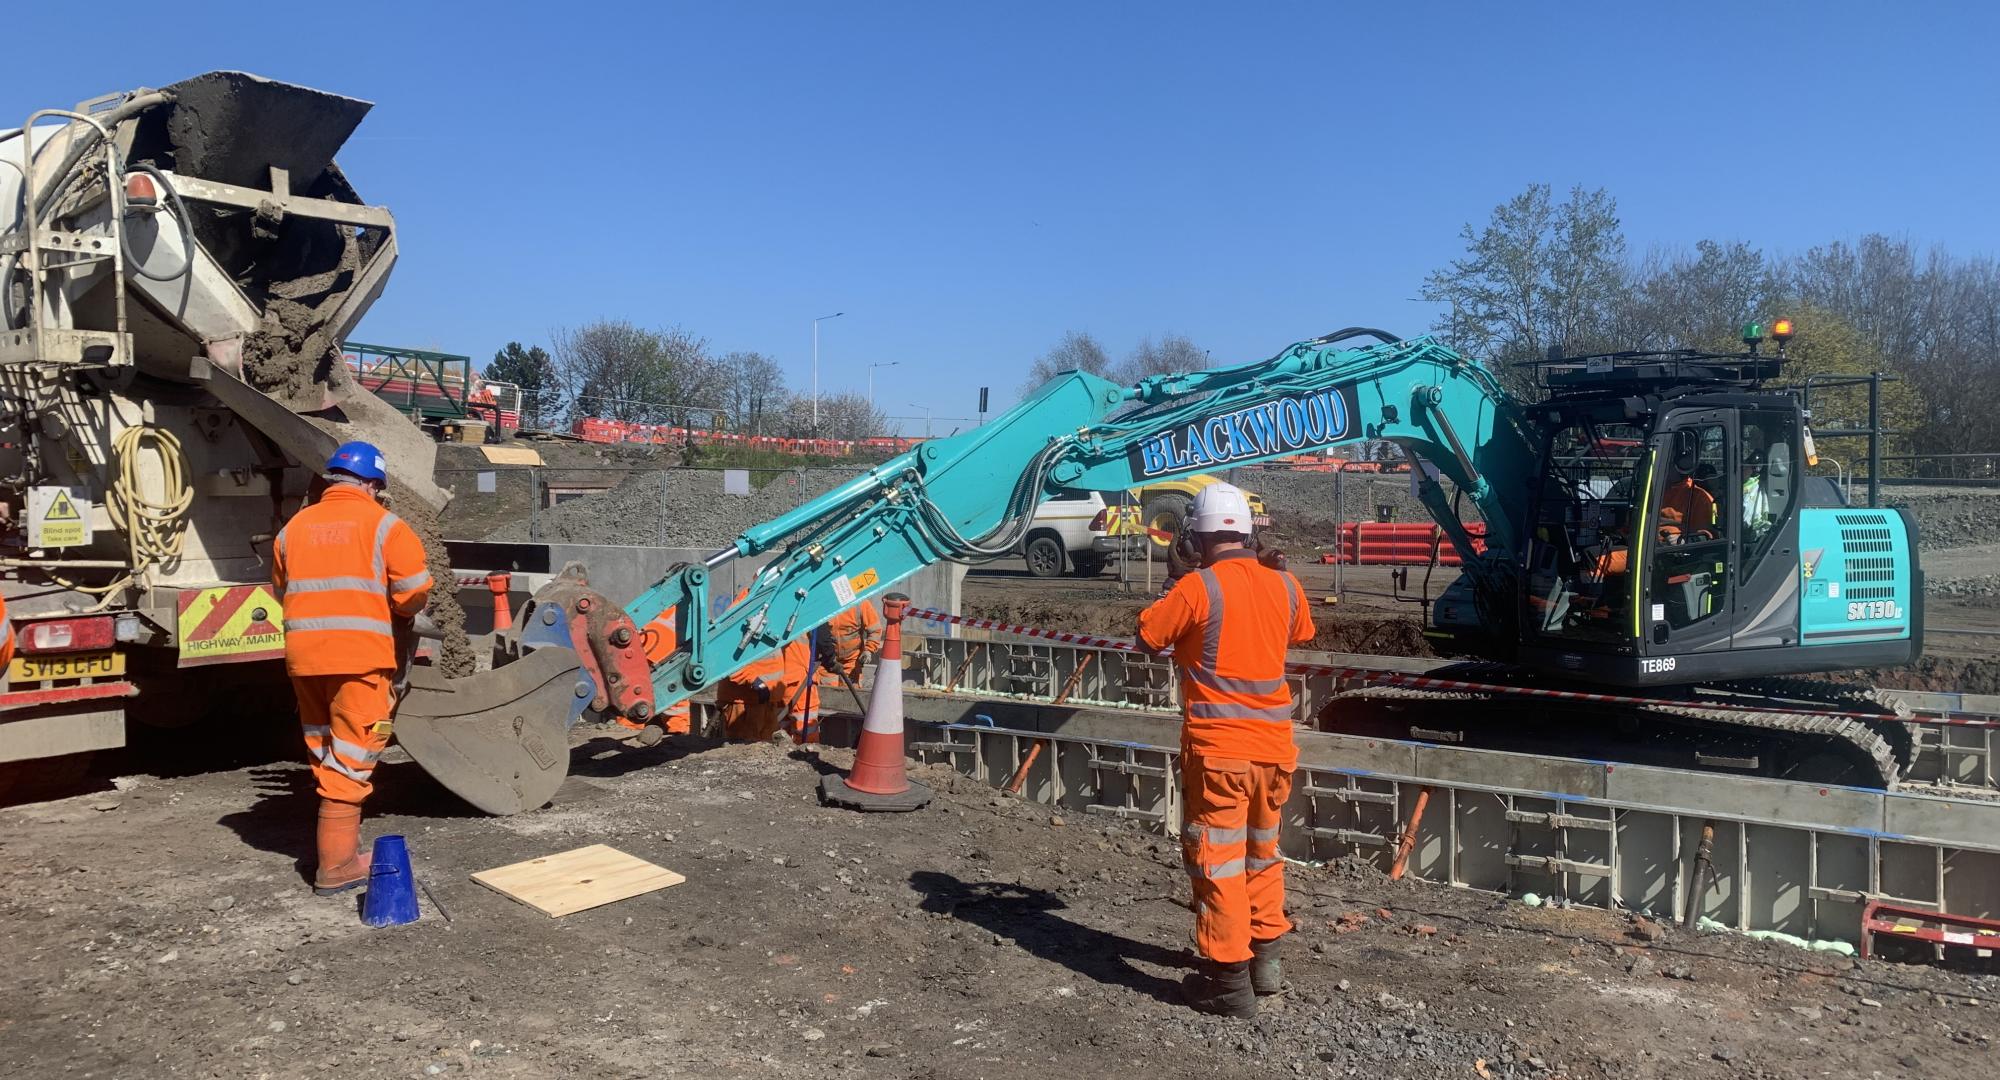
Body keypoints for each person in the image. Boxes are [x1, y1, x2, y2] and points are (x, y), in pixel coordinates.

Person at [1136, 482, 1314, 1017]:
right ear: (1249, 532)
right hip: (1275, 752)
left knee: (1218, 863)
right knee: (1262, 855)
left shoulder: (1196, 589)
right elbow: (1300, 632)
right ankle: (1267, 965)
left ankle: (1227, 982)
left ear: (1197, 536)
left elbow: (1148, 635)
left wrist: (1174, 581)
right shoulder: (1285, 586)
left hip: (1220, 756)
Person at [272, 442, 432, 895]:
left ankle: (336, 849)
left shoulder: (293, 528)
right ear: (373, 484)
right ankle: (338, 864)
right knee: (354, 756)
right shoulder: (385, 526)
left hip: (305, 660)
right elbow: (413, 592)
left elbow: (282, 588)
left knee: (325, 750)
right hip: (360, 660)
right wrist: (397, 609)